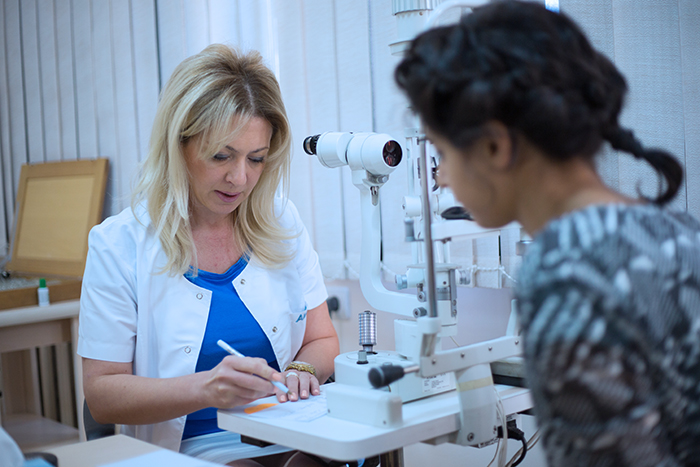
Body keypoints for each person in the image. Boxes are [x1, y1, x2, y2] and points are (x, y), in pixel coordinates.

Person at [395, 2, 700, 466]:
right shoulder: (673, 229)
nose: (443, 177)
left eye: (442, 153)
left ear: (495, 146)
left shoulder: (564, 271)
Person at [78, 44, 339, 467]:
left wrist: (303, 371)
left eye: (256, 159)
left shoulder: (282, 222)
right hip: (193, 450)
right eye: (221, 156)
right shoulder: (118, 245)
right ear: (178, 145)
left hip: (289, 434)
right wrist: (204, 388)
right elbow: (102, 395)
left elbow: (321, 340)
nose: (240, 178)